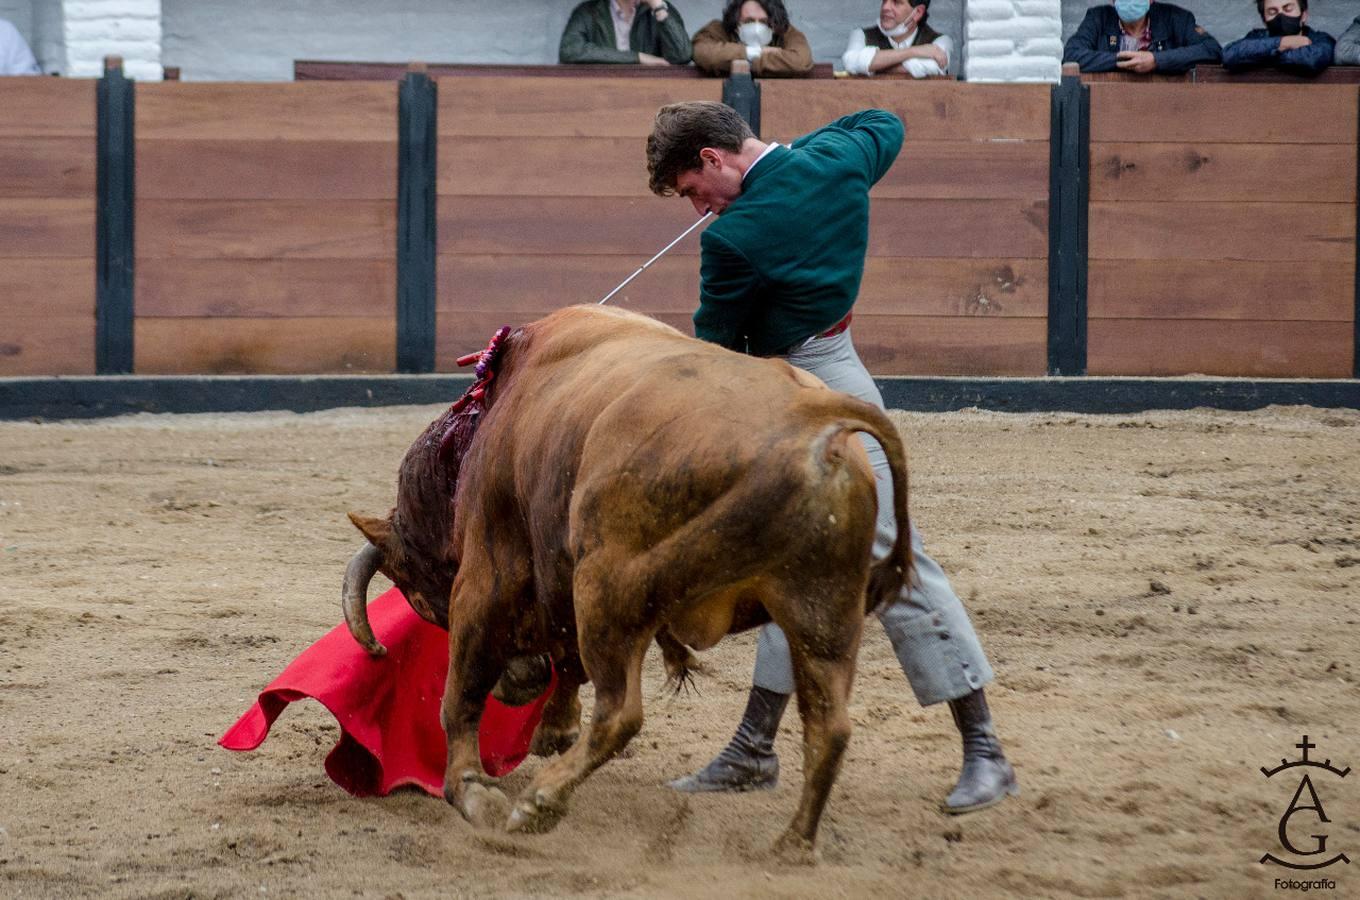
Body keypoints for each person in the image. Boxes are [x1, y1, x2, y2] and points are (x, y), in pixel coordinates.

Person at [644, 101, 1018, 815]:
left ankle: (987, 752)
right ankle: (754, 748)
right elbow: (885, 120)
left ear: (715, 160)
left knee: (885, 553)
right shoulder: (842, 162)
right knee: (792, 560)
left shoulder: (735, 238)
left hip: (787, 391)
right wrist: (793, 157)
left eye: (694, 191)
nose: (696, 208)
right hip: (841, 371)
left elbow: (717, 348)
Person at [1062, 0, 1221, 74]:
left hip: (1166, 106)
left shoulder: (1176, 18)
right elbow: (1071, 54)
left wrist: (1156, 60)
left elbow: (1212, 50)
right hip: (1109, 106)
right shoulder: (1098, 17)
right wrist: (1122, 61)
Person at [691, 0, 813, 77]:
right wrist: (755, 52)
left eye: (764, 21)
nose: (756, 26)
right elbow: (702, 52)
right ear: (736, 21)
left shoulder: (785, 31)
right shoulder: (719, 29)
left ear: (774, 23)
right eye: (749, 21)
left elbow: (800, 61)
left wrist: (741, 62)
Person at [559, 0, 693, 66]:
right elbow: (570, 50)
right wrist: (638, 58)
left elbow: (682, 56)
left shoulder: (661, 11)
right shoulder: (589, 11)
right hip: (600, 94)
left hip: (649, 95)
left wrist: (658, 7)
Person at [842, 0, 953, 78]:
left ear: (918, 12)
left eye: (896, 2)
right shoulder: (860, 34)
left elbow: (934, 66)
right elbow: (850, 62)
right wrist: (913, 52)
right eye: (884, 0)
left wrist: (872, 66)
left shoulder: (940, 41)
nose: (885, 7)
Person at [1223, 0, 1335, 75]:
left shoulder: (1320, 39)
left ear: (1304, 15)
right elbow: (1229, 55)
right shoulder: (1256, 36)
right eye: (1272, 12)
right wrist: (1282, 43)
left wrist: (1260, 54)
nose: (1281, 16)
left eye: (1288, 9)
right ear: (1264, 21)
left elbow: (1311, 59)